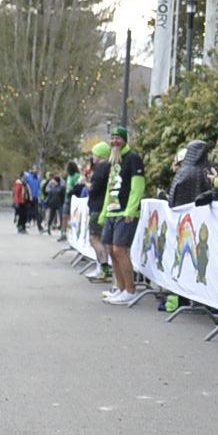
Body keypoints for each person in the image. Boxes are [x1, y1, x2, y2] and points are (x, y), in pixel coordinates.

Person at [99, 123, 146, 304]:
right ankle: (120, 288)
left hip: (126, 211)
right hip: (112, 211)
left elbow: (138, 186)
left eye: (117, 138)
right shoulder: (113, 161)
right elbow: (109, 189)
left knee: (120, 249)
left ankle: (130, 290)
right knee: (111, 250)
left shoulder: (133, 158)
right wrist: (104, 212)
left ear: (124, 140)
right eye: (112, 138)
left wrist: (131, 209)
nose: (114, 141)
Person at [82, 139, 114, 280]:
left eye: (94, 154)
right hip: (103, 207)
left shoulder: (101, 168)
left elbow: (94, 189)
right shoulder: (109, 167)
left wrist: (86, 184)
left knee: (94, 238)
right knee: (101, 239)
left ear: (100, 155)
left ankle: (103, 267)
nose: (92, 157)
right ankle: (103, 267)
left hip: (97, 207)